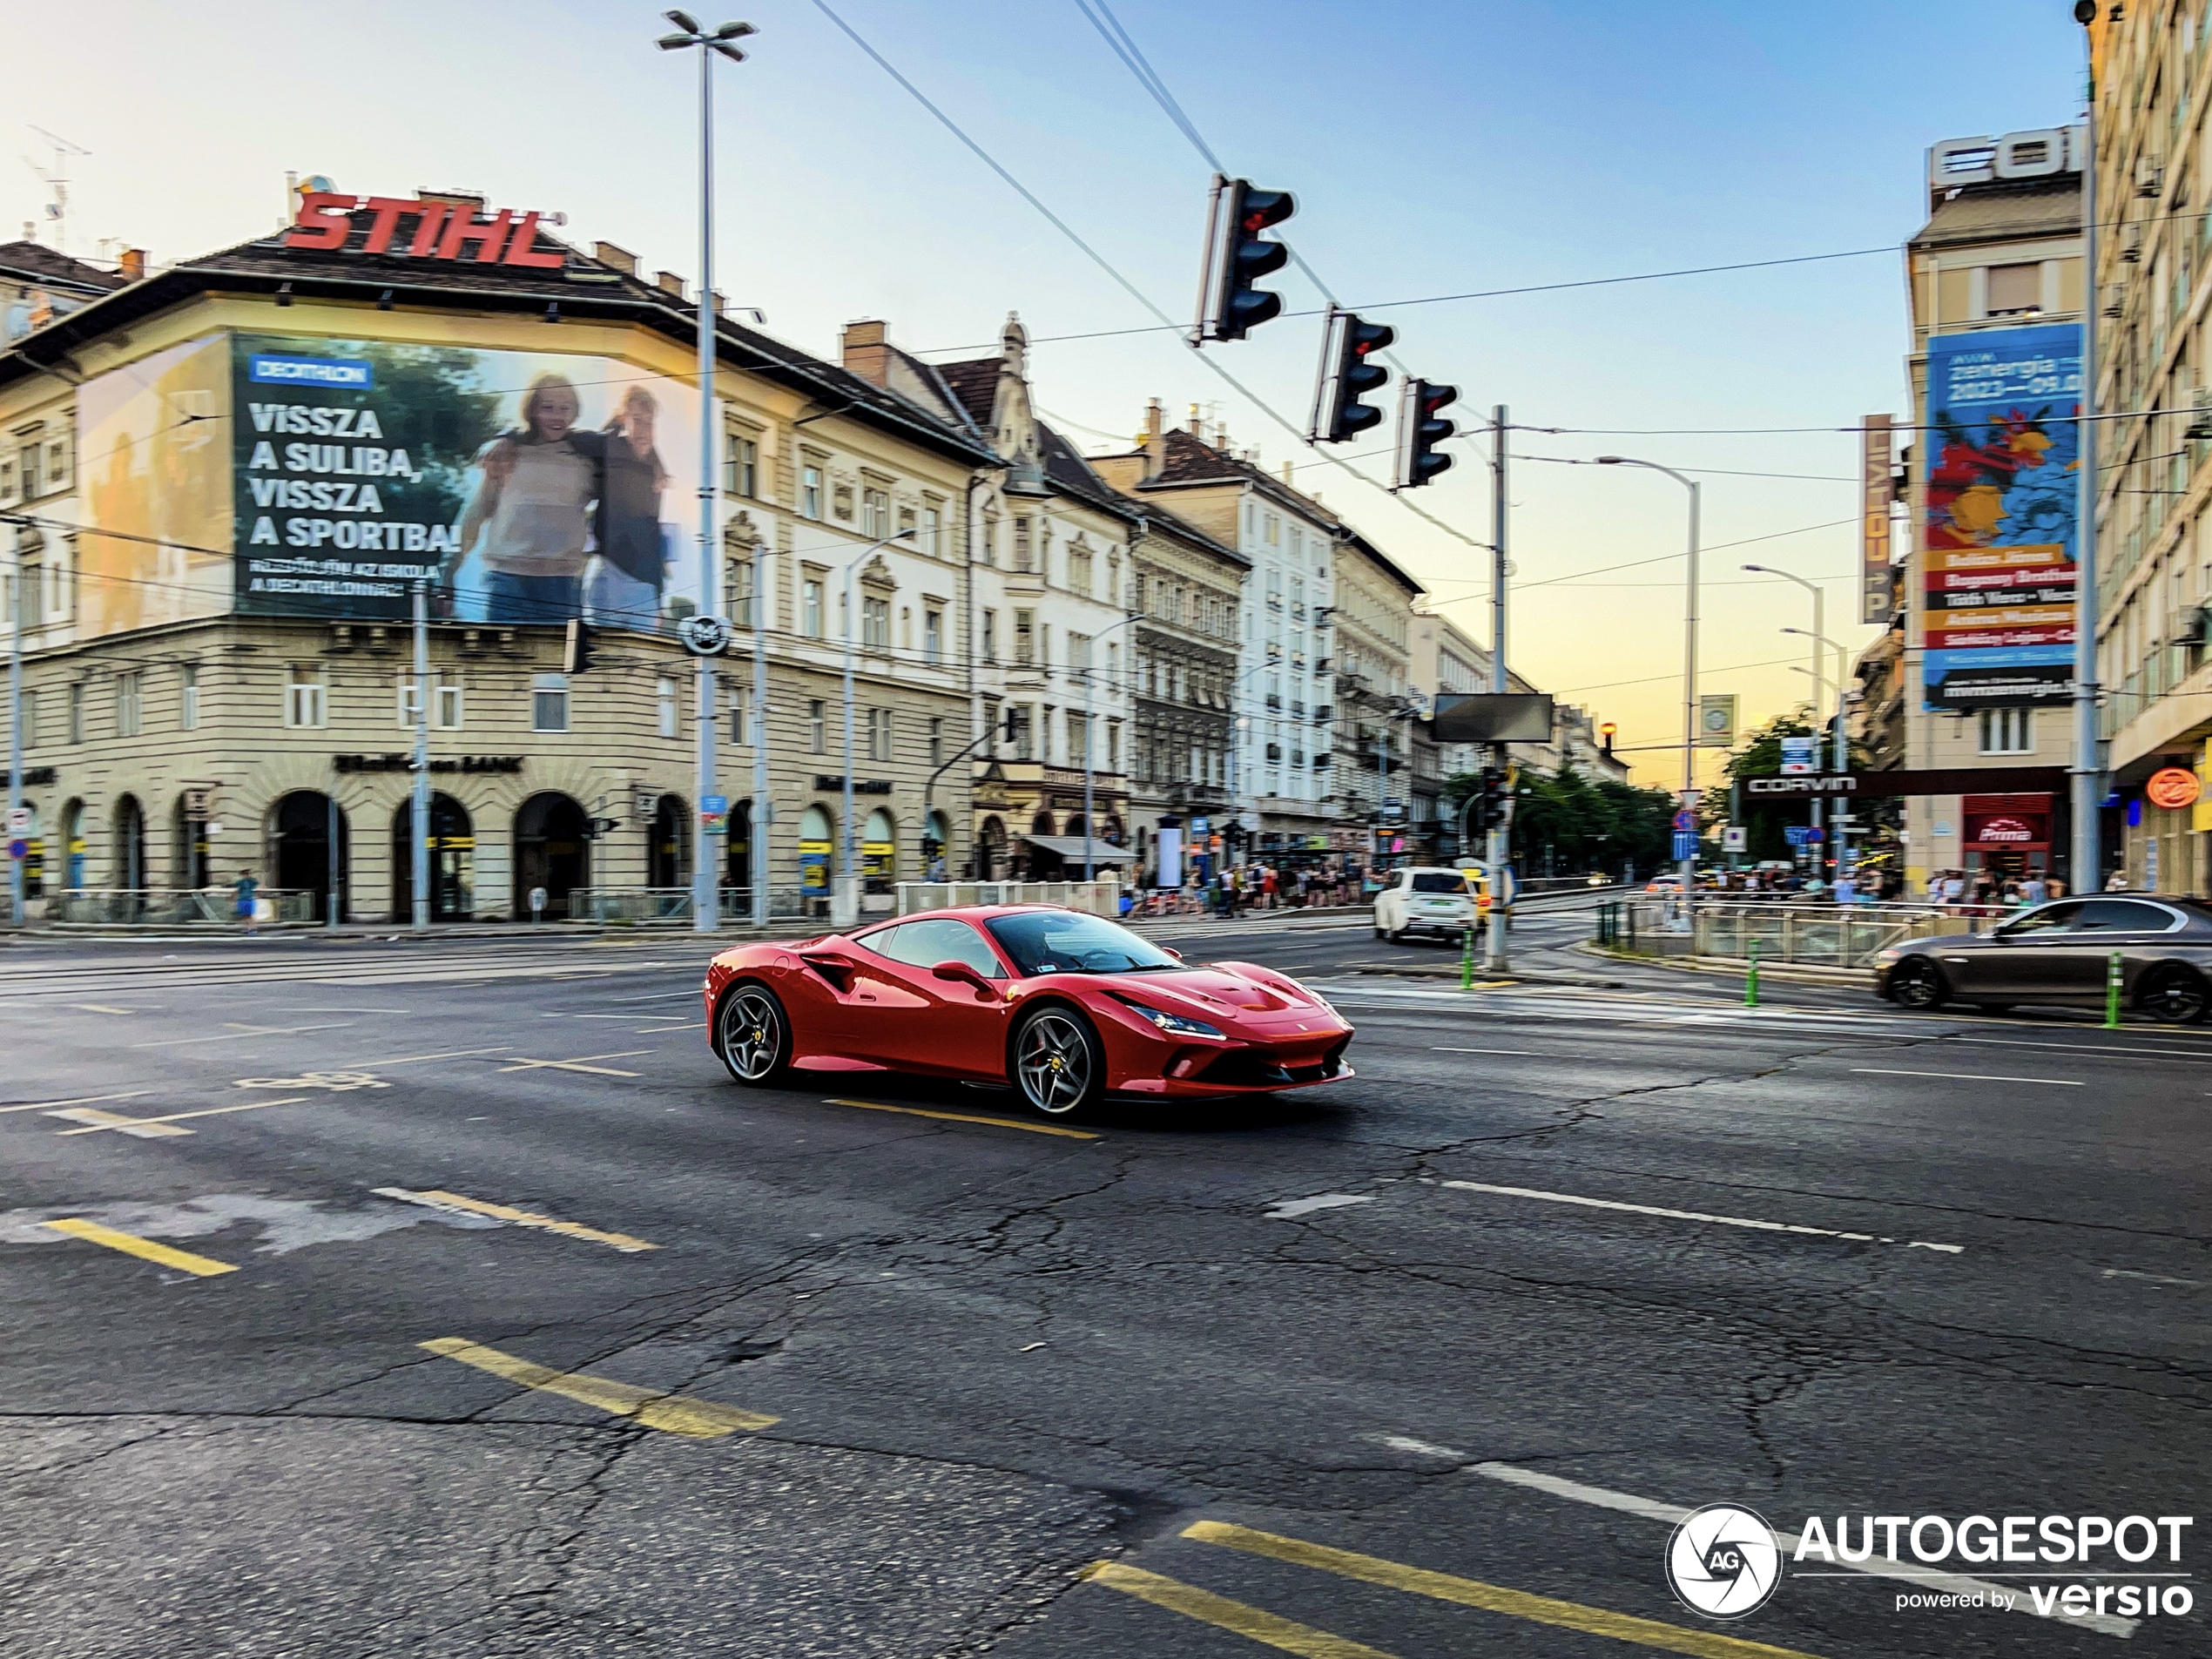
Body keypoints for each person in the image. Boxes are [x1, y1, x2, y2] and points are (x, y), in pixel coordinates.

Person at [452, 372, 604, 624]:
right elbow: (476, 512)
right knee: (504, 660)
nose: (557, 416)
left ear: (575, 412)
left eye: (565, 408)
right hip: (506, 579)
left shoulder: (584, 462)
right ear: (532, 410)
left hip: (561, 584)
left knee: (557, 663)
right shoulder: (506, 456)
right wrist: (451, 568)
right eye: (548, 407)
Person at [584, 385, 673, 631]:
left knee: (642, 662)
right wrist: (617, 420)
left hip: (644, 586)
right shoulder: (613, 450)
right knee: (603, 662)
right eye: (637, 420)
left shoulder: (653, 466)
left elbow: (651, 533)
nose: (644, 430)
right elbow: (593, 444)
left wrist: (658, 594)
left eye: (649, 422)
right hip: (609, 573)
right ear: (624, 420)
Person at [232, 867, 260, 936]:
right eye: (246, 873)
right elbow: (236, 891)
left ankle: (252, 929)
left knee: (250, 915)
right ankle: (250, 928)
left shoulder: (253, 881)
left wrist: (257, 895)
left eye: (249, 873)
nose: (248, 875)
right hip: (242, 899)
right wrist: (234, 901)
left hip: (249, 899)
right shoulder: (240, 882)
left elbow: (260, 887)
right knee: (245, 915)